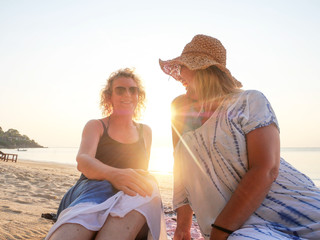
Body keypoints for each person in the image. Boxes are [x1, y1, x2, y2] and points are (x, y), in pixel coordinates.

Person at [159, 34, 320, 240]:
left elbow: (267, 168)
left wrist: (220, 231)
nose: (179, 74)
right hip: (239, 229)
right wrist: (183, 227)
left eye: (183, 67)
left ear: (204, 71)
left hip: (295, 210)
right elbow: (181, 172)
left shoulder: (249, 101)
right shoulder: (180, 110)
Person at [46, 68, 167, 240]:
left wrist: (127, 182)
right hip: (92, 188)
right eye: (120, 89)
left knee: (148, 187)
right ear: (109, 96)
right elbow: (83, 160)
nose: (127, 94)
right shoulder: (96, 126)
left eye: (133, 90)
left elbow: (140, 172)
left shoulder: (145, 131)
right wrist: (115, 175)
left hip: (128, 194)